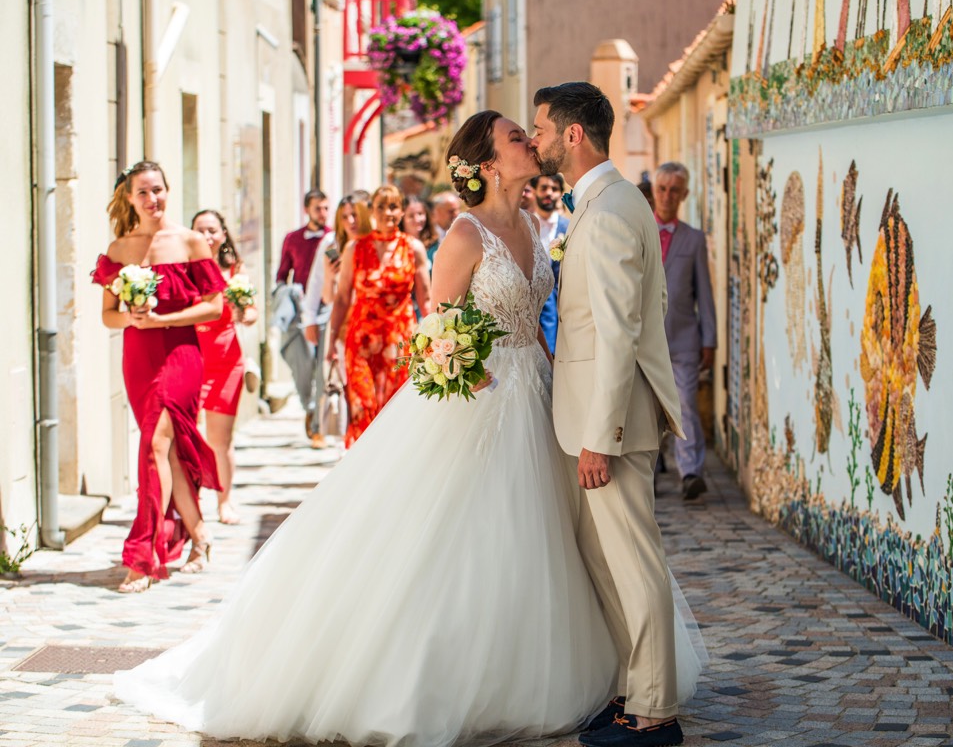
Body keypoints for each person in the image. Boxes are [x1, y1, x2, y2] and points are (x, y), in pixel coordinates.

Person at [112, 111, 703, 746]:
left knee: (553, 540)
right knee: (468, 538)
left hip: (540, 396)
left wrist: (558, 385)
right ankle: (445, 680)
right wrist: (475, 378)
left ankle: (587, 677)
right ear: (485, 164)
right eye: (514, 137)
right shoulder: (464, 235)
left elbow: (536, 322)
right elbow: (440, 326)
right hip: (481, 401)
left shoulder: (534, 223)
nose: (529, 141)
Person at [532, 82, 690, 747]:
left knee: (634, 561)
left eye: (540, 128)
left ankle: (654, 711)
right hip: (588, 420)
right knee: (605, 562)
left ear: (572, 135)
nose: (534, 138)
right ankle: (632, 687)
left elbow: (621, 333)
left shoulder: (614, 209)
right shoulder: (597, 204)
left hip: (610, 425)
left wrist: (601, 437)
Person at [91, 161, 225, 593]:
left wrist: (163, 323)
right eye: (143, 193)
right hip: (139, 359)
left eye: (158, 190)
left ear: (169, 191)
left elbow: (215, 307)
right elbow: (109, 317)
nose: (152, 200)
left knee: (155, 445)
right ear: (129, 199)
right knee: (164, 452)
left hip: (182, 353)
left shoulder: (188, 242)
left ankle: (143, 557)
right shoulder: (118, 251)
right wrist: (132, 319)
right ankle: (200, 535)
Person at [327, 185, 431, 446]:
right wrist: (331, 341)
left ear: (401, 210)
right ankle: (362, 475)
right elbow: (341, 299)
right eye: (381, 207)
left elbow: (425, 299)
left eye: (394, 206)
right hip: (362, 342)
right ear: (372, 211)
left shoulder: (413, 247)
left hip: (401, 342)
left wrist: (433, 338)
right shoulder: (355, 248)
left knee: (396, 411)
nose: (388, 213)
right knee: (363, 408)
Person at [652, 163, 716, 502]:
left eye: (674, 190)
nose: (667, 196)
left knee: (686, 405)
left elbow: (704, 292)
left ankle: (691, 472)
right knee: (648, 409)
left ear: (684, 195)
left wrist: (710, 339)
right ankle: (649, 469)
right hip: (645, 341)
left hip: (683, 340)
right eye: (662, 188)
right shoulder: (640, 230)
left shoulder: (693, 239)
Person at [191, 210, 257, 523]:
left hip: (227, 362)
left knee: (220, 439)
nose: (207, 236)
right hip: (191, 361)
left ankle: (224, 502)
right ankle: (190, 504)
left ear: (223, 234)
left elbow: (251, 311)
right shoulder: (183, 271)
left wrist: (245, 314)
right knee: (188, 436)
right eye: (200, 230)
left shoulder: (234, 270)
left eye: (212, 230)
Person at [300, 194, 361, 448]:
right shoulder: (331, 243)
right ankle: (328, 431)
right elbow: (319, 289)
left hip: (370, 323)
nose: (350, 221)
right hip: (339, 321)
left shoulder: (373, 242)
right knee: (333, 379)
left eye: (355, 215)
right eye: (344, 216)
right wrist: (309, 320)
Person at [274, 189, 330, 438]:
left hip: (326, 311)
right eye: (318, 208)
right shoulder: (293, 239)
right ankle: (309, 406)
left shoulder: (333, 238)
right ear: (306, 209)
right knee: (303, 367)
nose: (323, 213)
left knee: (323, 368)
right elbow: (281, 275)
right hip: (300, 313)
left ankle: (318, 421)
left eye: (327, 208)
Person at [531, 173, 568, 354]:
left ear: (561, 193)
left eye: (554, 189)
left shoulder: (569, 228)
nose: (549, 193)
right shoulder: (525, 225)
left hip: (563, 312)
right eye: (544, 188)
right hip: (532, 312)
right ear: (535, 191)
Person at [400, 194, 439, 266]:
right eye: (411, 216)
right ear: (402, 218)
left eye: (420, 214)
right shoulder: (397, 244)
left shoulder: (434, 243)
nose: (417, 219)